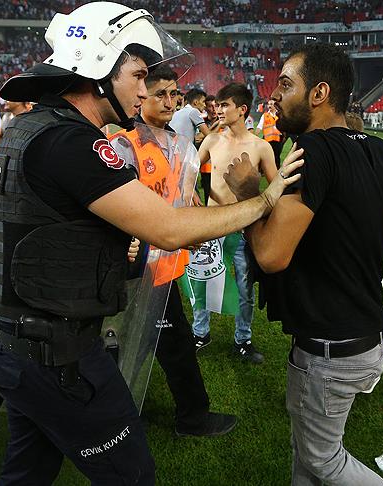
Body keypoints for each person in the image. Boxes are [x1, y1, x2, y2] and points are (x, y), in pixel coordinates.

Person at [0, 3, 302, 483]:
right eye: (139, 76)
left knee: (28, 471)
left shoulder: (30, 128)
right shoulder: (70, 142)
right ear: (98, 67)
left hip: (15, 338)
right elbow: (168, 228)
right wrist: (264, 200)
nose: (145, 91)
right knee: (132, 474)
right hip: (55, 353)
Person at [226, 43, 383, 485]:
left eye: (285, 84)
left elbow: (271, 256)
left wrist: (249, 192)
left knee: (324, 460)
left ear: (319, 93)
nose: (274, 94)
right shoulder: (382, 151)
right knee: (307, 455)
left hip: (330, 346)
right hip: (368, 333)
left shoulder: (312, 151)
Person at [107, 65, 237, 436]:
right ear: (141, 96)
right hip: (137, 267)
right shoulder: (124, 145)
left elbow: (182, 196)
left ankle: (124, 414)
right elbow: (121, 213)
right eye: (160, 93)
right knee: (143, 343)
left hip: (166, 264)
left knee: (159, 343)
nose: (170, 101)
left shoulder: (180, 145)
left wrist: (189, 217)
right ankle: (173, 417)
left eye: (173, 94)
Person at [192, 83, 277, 363]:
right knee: (203, 282)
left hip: (242, 228)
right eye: (217, 104)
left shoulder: (261, 147)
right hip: (211, 224)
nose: (218, 109)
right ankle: (200, 333)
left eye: (224, 104)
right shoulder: (211, 141)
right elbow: (188, 173)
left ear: (241, 110)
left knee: (244, 288)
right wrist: (191, 194)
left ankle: (243, 339)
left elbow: (276, 189)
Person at [171, 88, 213, 202]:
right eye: (203, 102)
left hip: (174, 157)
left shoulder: (178, 113)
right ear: (195, 102)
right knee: (192, 192)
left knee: (180, 191)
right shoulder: (193, 112)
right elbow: (209, 135)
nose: (205, 105)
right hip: (185, 158)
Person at [256, 99, 285, 165]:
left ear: (275, 106)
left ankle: (277, 169)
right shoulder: (265, 115)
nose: (269, 106)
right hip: (267, 139)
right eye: (268, 104)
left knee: (276, 156)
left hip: (278, 139)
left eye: (271, 104)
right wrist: (255, 137)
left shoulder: (280, 115)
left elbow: (284, 126)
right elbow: (259, 126)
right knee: (266, 156)